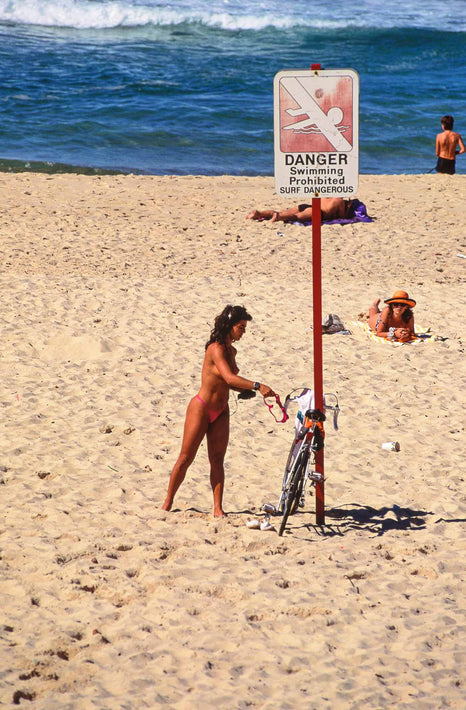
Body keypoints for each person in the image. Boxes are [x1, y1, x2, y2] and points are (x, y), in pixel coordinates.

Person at [161, 305, 275, 517]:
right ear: (229, 326)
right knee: (186, 458)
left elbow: (227, 382)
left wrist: (242, 390)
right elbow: (230, 377)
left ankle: (218, 509)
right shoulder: (215, 349)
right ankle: (167, 502)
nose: (244, 332)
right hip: (201, 409)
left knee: (217, 460)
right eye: (241, 327)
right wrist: (258, 386)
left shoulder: (232, 351)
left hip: (221, 410)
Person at [246, 197, 357, 223]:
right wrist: (347, 209)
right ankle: (279, 218)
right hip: (318, 212)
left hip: (308, 205)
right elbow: (343, 217)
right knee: (296, 217)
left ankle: (259, 213)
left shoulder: (326, 193)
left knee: (282, 211)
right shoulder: (340, 200)